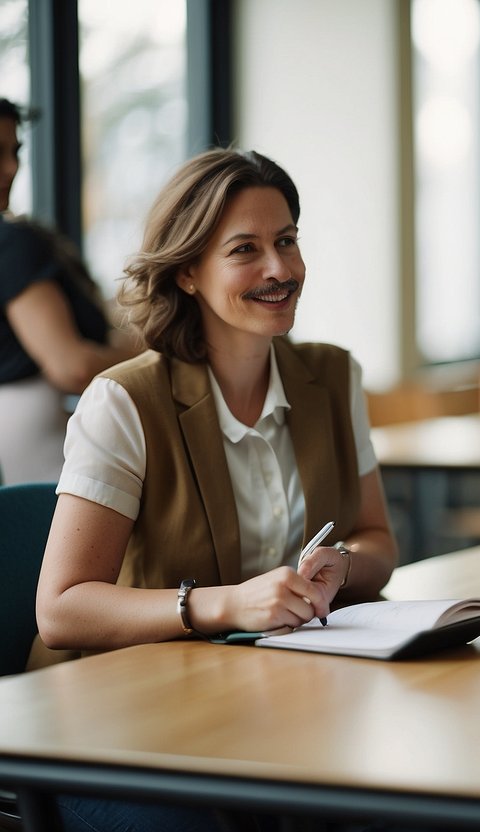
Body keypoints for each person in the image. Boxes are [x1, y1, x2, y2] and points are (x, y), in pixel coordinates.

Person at [34, 148, 400, 831]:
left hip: (269, 707)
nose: (280, 270)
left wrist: (342, 566)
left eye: (287, 241)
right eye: (246, 250)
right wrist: (225, 605)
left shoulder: (333, 378)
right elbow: (62, 612)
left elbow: (378, 540)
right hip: (115, 730)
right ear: (188, 274)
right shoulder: (124, 402)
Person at [0, 97, 139, 483]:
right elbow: (72, 366)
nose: (12, 168)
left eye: (16, 152)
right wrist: (158, 349)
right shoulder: (10, 242)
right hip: (35, 459)